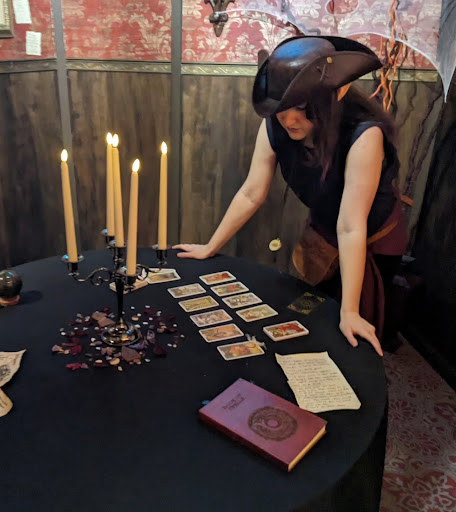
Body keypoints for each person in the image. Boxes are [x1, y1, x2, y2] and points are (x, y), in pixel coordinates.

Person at [173, 36, 408, 356]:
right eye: (282, 107)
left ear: (337, 93)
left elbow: (352, 226)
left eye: (303, 108)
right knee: (314, 312)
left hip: (372, 236)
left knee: (354, 329)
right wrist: (210, 246)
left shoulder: (365, 135)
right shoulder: (275, 124)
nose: (289, 120)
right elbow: (252, 192)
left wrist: (351, 311)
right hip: (326, 229)